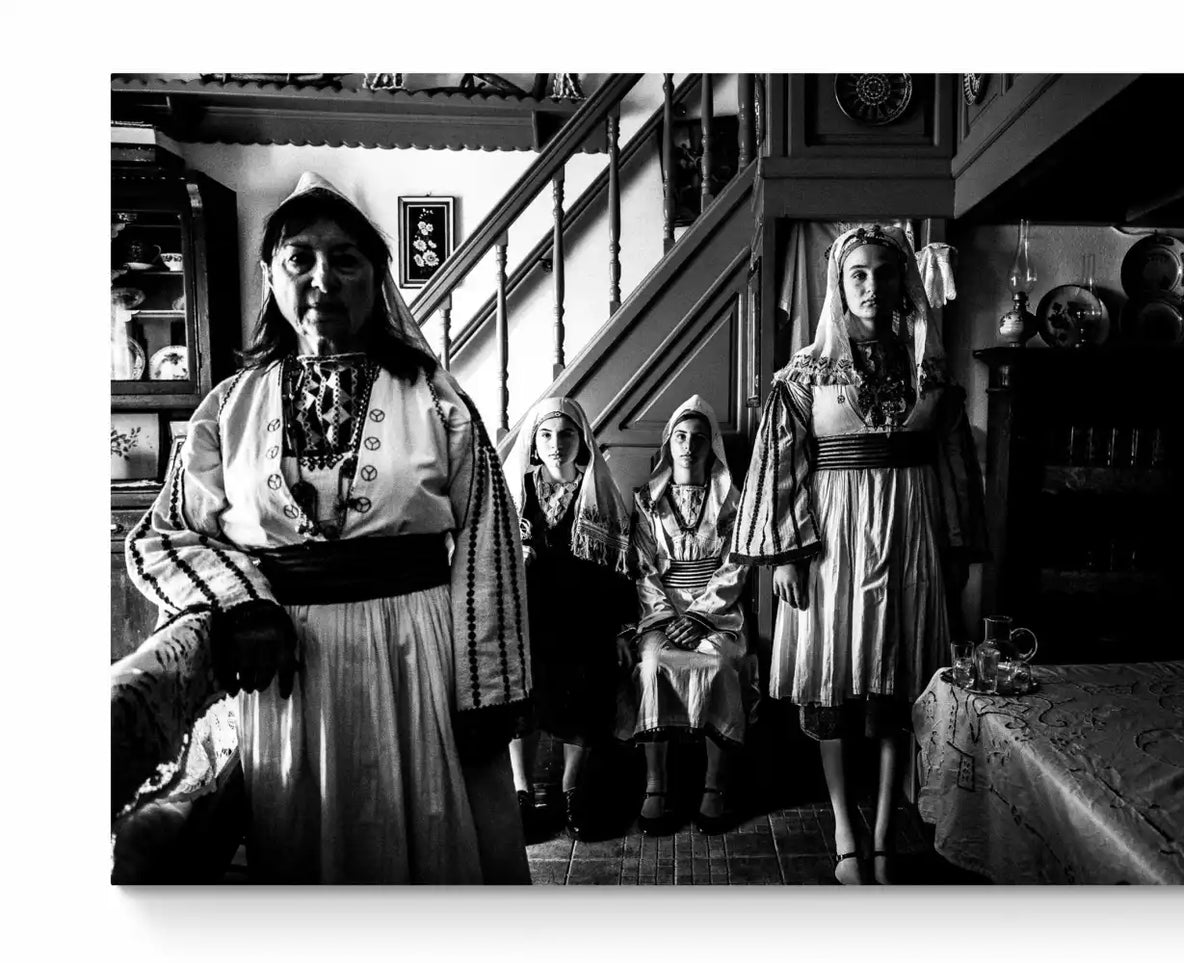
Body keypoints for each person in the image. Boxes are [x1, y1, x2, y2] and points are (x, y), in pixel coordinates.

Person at [124, 172, 532, 884]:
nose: (323, 278)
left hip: (418, 656)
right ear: (269, 276)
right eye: (300, 258)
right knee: (308, 849)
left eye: (346, 259)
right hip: (288, 675)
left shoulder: (433, 398)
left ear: (376, 278)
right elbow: (163, 537)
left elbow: (489, 544)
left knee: (428, 839)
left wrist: (487, 692)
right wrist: (242, 600)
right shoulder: (227, 408)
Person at [731, 224, 988, 884]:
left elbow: (956, 468)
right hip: (832, 549)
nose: (872, 285)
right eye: (858, 274)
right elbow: (779, 465)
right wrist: (785, 552)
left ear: (904, 282)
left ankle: (882, 829)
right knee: (834, 683)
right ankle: (845, 829)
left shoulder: (930, 372)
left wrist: (957, 549)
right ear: (838, 285)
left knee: (897, 684)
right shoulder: (804, 375)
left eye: (883, 272)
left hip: (912, 544)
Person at [501, 397, 636, 840]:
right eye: (546, 435)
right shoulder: (516, 491)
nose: (556, 445)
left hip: (583, 614)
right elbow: (493, 557)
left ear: (583, 440)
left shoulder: (598, 487)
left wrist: (619, 628)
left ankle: (571, 788)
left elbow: (619, 568)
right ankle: (523, 793)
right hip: (529, 614)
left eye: (566, 435)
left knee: (588, 680)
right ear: (534, 442)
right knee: (522, 691)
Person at [618, 396, 755, 835]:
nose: (688, 446)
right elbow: (643, 569)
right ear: (668, 443)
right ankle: (655, 784)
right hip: (661, 610)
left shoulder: (732, 502)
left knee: (718, 663)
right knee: (653, 665)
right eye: (680, 436)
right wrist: (664, 617)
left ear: (711, 446)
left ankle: (714, 785)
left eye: (698, 438)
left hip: (718, 611)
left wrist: (700, 615)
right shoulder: (646, 503)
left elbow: (737, 563)